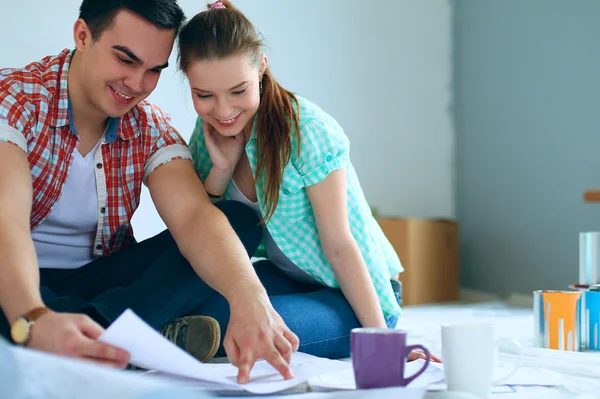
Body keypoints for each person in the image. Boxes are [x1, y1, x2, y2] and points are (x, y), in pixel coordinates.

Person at [0, 0, 300, 383]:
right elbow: (5, 220)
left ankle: (96, 334)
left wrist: (249, 295)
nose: (137, 85)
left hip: (100, 287)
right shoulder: (16, 100)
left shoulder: (147, 126)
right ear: (82, 36)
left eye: (154, 70)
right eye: (126, 60)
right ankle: (111, 337)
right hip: (16, 282)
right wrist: (34, 317)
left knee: (236, 222)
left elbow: (194, 216)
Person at [178, 0, 439, 362]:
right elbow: (204, 237)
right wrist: (220, 170)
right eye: (204, 95)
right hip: (286, 278)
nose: (223, 111)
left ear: (261, 71)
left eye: (238, 91)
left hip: (353, 293)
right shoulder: (208, 135)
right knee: (196, 304)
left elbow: (339, 245)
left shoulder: (306, 130)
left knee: (226, 326)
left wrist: (383, 341)